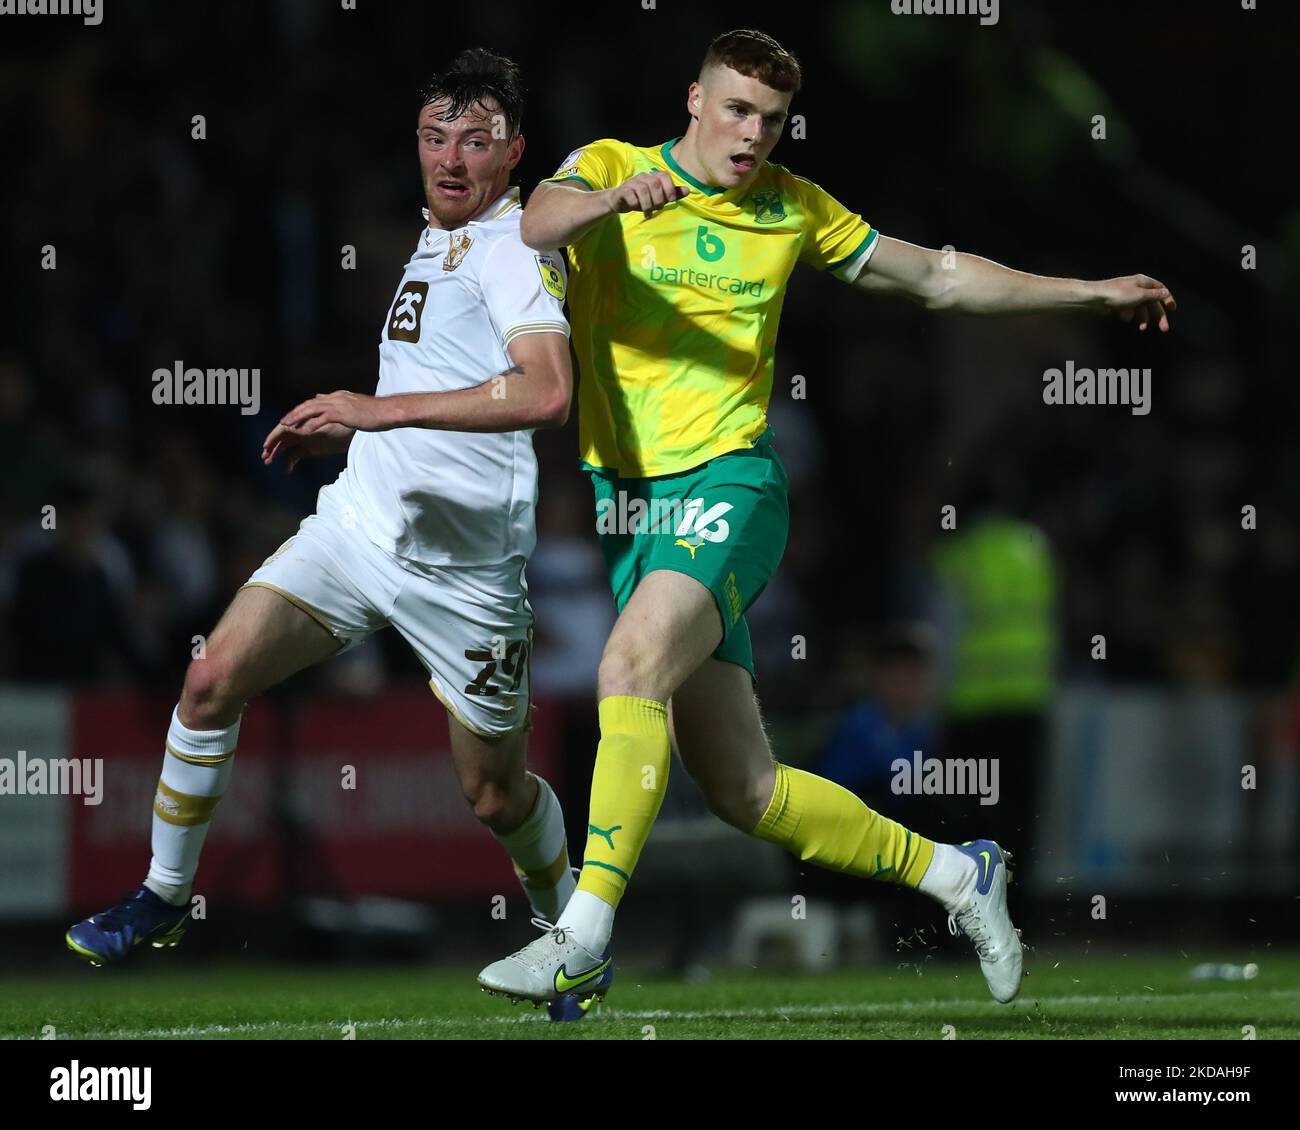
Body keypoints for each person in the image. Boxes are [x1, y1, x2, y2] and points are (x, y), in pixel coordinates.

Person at [477, 27, 1173, 1008]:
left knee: (627, 667)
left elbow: (935, 275)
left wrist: (1087, 292)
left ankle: (581, 937)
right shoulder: (610, 167)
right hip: (628, 508)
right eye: (735, 110)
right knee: (745, 789)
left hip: (729, 486)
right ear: (695, 100)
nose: (751, 134)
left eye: (769, 119)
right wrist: (612, 200)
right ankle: (957, 873)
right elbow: (536, 223)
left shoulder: (791, 207)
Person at [66, 49, 589, 1021]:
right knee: (211, 678)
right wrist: (363, 432)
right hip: (359, 528)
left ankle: (571, 938)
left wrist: (376, 413)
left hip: (467, 573)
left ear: (515, 152)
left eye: (476, 142)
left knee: (494, 795)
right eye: (435, 137)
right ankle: (166, 895)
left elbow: (548, 391)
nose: (450, 159)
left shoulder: (514, 247)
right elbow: (432, 375)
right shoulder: (437, 238)